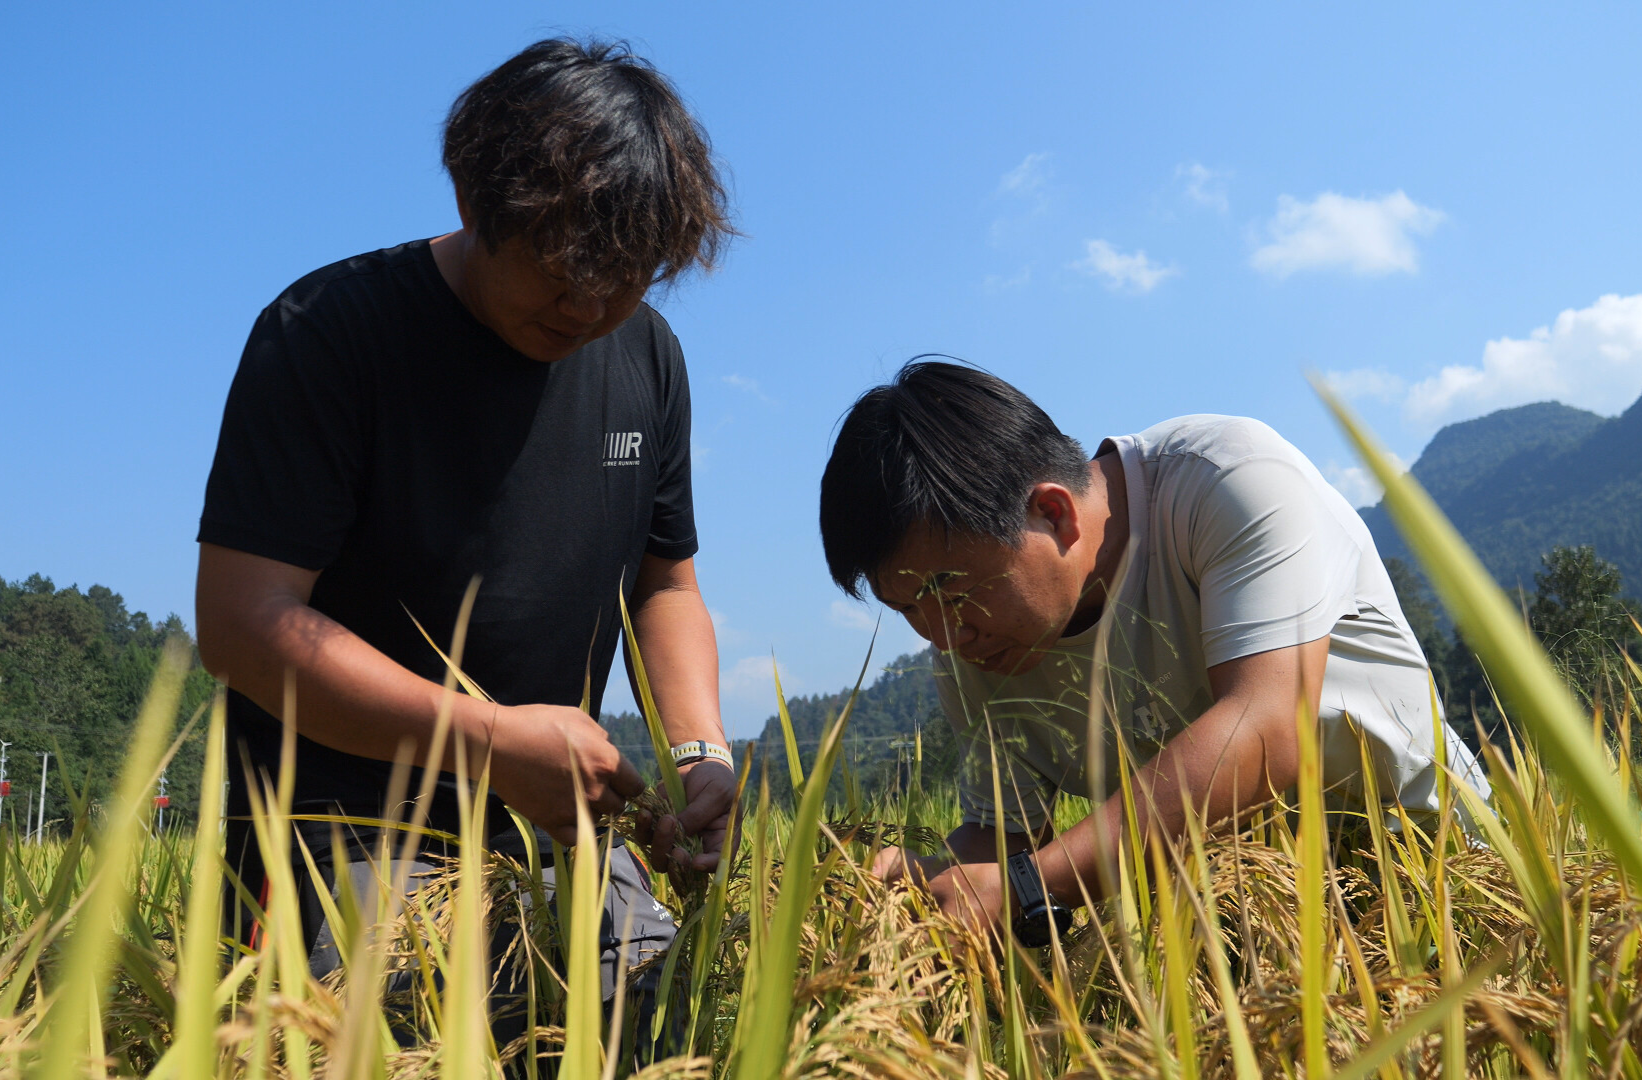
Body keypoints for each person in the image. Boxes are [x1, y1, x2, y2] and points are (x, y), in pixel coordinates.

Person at [195, 39, 736, 1014]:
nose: (588, 307)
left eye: (625, 278)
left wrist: (700, 751)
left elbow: (666, 584)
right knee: (416, 1012)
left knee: (650, 1000)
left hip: (549, 821)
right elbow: (242, 620)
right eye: (559, 271)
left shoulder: (647, 356)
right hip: (339, 829)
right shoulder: (328, 333)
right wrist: (487, 743)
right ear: (475, 205)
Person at [818, 360, 1488, 939]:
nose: (944, 636)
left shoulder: (1226, 481)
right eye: (908, 608)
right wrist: (924, 891)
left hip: (1446, 872)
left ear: (1053, 512)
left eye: (952, 589)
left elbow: (1266, 728)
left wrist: (1024, 883)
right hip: (1253, 923)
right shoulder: (972, 652)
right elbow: (1004, 841)